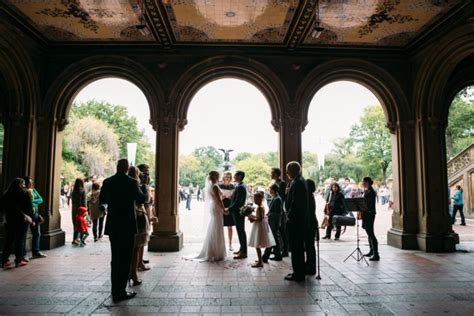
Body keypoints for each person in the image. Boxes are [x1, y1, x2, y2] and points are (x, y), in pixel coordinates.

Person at [99, 159, 148, 303]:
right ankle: (121, 291)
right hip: (127, 225)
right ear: (126, 168)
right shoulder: (132, 182)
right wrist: (144, 187)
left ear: (117, 167)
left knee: (115, 259)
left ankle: (115, 290)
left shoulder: (108, 182)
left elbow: (103, 199)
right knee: (125, 259)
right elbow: (141, 199)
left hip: (113, 225)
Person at [194, 171, 227, 261]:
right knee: (217, 227)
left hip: (214, 206)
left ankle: (213, 250)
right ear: (216, 177)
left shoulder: (211, 185)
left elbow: (217, 198)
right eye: (218, 175)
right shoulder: (215, 186)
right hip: (216, 207)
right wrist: (224, 209)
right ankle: (215, 251)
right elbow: (218, 200)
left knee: (214, 226)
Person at [1, 178, 33, 269]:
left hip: (10, 220)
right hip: (21, 220)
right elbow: (29, 208)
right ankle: (19, 260)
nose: (24, 186)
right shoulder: (25, 193)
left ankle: (4, 260)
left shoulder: (6, 194)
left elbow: (1, 206)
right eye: (23, 184)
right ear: (20, 185)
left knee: (9, 240)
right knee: (20, 240)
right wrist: (31, 217)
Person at [284, 161, 308, 282]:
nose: (286, 172)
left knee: (296, 248)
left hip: (296, 221)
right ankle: (298, 271)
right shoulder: (298, 181)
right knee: (296, 248)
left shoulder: (298, 183)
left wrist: (289, 216)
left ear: (293, 170)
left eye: (288, 170)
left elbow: (295, 203)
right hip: (297, 220)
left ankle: (298, 274)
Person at [128, 166, 151, 286]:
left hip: (126, 219)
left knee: (128, 248)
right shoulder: (135, 185)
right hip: (138, 216)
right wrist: (145, 186)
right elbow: (144, 199)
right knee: (136, 247)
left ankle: (129, 272)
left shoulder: (124, 184)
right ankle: (133, 273)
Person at [248, 191, 276, 268]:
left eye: (255, 199)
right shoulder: (260, 207)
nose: (254, 200)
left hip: (259, 227)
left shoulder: (260, 208)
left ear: (260, 199)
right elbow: (259, 217)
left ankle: (260, 262)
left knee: (257, 245)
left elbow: (260, 219)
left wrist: (252, 219)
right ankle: (260, 259)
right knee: (258, 244)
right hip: (259, 226)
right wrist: (252, 216)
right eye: (254, 199)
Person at [22, 176, 47, 259]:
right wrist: (32, 203)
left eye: (31, 182)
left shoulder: (34, 190)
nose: (30, 184)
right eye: (29, 182)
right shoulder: (23, 191)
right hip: (28, 214)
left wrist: (32, 202)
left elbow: (41, 199)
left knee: (37, 233)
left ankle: (36, 252)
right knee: (24, 233)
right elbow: (26, 203)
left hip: (35, 214)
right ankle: (22, 254)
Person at [225, 171, 248, 259]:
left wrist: (229, 209)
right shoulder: (240, 185)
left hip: (238, 213)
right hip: (237, 213)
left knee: (241, 232)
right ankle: (242, 249)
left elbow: (238, 202)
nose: (233, 176)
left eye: (235, 175)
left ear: (239, 176)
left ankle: (244, 252)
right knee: (240, 232)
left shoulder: (241, 187)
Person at [271, 168, 288, 258]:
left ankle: (285, 249)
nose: (271, 175)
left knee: (282, 232)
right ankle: (276, 249)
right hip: (276, 210)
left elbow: (281, 197)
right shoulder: (275, 183)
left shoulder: (281, 183)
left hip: (280, 211)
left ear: (277, 174)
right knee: (278, 232)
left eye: (272, 173)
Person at [262, 184, 282, 263]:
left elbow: (277, 212)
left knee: (271, 238)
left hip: (274, 221)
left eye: (270, 189)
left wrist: (268, 215)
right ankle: (278, 255)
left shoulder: (277, 199)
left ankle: (265, 256)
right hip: (273, 221)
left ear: (273, 190)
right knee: (275, 239)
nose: (269, 191)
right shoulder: (275, 198)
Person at [362, 177, 379, 261]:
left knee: (371, 233)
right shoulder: (367, 191)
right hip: (366, 213)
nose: (362, 183)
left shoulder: (371, 192)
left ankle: (376, 253)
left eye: (364, 182)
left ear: (367, 182)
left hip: (370, 214)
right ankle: (371, 250)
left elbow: (369, 203)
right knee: (369, 233)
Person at [305, 179, 318, 275]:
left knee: (309, 246)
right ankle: (309, 265)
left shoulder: (307, 196)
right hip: (312, 222)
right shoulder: (310, 195)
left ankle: (311, 267)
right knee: (310, 246)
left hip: (310, 223)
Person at [219, 172, 235, 252]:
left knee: (230, 226)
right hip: (221, 205)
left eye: (229, 176)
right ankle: (220, 244)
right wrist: (222, 197)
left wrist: (231, 197)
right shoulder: (220, 185)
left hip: (229, 205)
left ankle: (230, 244)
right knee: (220, 226)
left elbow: (234, 197)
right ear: (223, 177)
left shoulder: (232, 186)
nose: (227, 177)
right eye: (226, 176)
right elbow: (217, 197)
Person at [71, 178, 86, 245]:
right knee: (81, 224)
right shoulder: (82, 191)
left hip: (74, 209)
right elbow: (84, 202)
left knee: (75, 224)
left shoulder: (73, 191)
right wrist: (85, 210)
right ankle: (79, 239)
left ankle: (74, 239)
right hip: (80, 209)